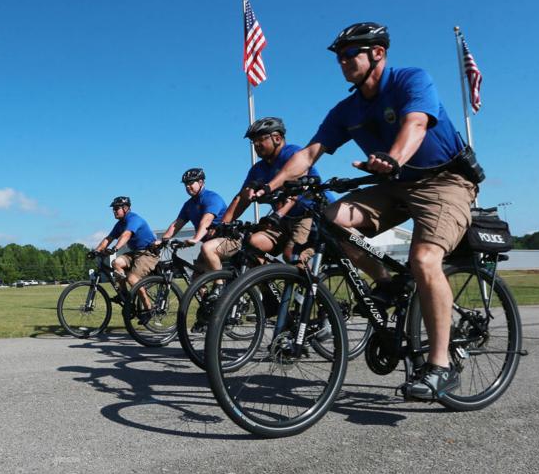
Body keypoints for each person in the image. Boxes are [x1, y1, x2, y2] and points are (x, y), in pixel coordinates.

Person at [249, 22, 479, 401]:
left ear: (378, 53)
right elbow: (308, 154)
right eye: (338, 57)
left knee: (424, 259)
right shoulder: (347, 109)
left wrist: (394, 157)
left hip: (443, 181)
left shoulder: (410, 80)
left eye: (349, 54)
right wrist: (269, 186)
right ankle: (387, 282)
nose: (342, 62)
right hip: (393, 186)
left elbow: (416, 123)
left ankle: (441, 366)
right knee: (331, 220)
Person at [200, 117, 332, 271]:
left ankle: (313, 293)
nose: (256, 144)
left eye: (260, 139)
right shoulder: (258, 169)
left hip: (310, 215)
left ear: (277, 138)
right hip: (282, 222)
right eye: (253, 141)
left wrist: (278, 214)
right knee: (251, 244)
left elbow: (297, 191)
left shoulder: (293, 154)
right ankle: (271, 285)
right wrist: (223, 225)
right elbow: (241, 199)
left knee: (291, 256)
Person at [155, 168, 227, 273]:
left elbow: (206, 220)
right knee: (197, 280)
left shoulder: (211, 198)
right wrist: (163, 240)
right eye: (185, 184)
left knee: (206, 248)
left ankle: (219, 284)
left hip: (227, 239)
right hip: (209, 243)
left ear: (201, 182)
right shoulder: (189, 205)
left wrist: (196, 238)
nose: (188, 186)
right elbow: (176, 224)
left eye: (191, 183)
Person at [92, 196, 158, 298]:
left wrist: (115, 248)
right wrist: (96, 251)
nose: (114, 211)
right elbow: (108, 239)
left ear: (126, 208)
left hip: (148, 253)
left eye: (116, 208)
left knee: (132, 279)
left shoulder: (134, 219)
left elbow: (126, 234)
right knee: (116, 263)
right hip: (135, 253)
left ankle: (149, 309)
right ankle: (124, 294)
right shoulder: (119, 224)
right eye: (113, 209)